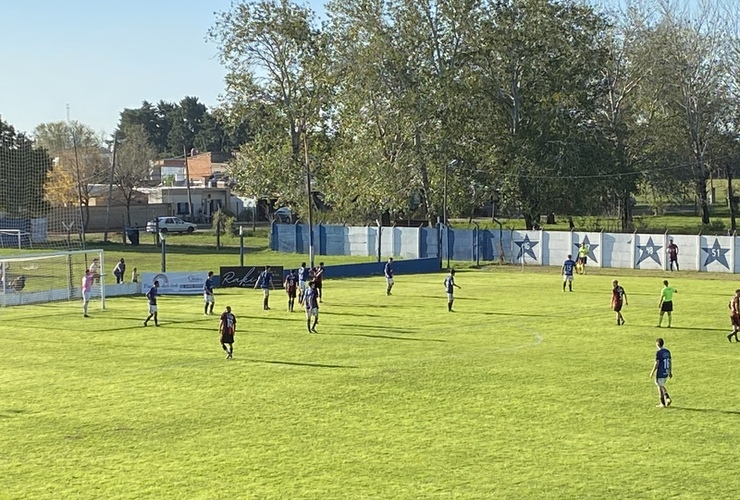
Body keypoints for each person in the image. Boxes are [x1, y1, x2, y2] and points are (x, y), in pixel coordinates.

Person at [649, 338, 673, 408]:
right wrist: (670, 372)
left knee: (660, 386)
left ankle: (664, 401)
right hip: (666, 371)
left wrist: (652, 372)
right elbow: (670, 362)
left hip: (660, 372)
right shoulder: (667, 351)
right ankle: (664, 402)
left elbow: (657, 363)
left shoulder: (658, 353)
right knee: (660, 385)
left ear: (657, 344)